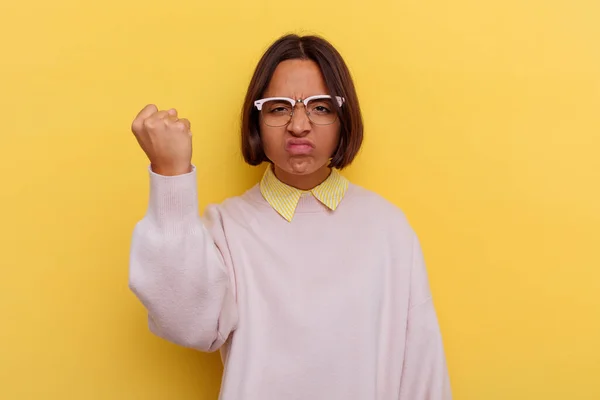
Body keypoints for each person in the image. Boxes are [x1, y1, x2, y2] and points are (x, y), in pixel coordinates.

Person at [128, 33, 452, 400]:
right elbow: (187, 324)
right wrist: (171, 174)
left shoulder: (388, 229)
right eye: (279, 107)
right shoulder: (227, 228)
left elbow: (424, 367)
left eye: (321, 107)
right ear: (257, 120)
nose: (299, 124)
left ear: (344, 118)